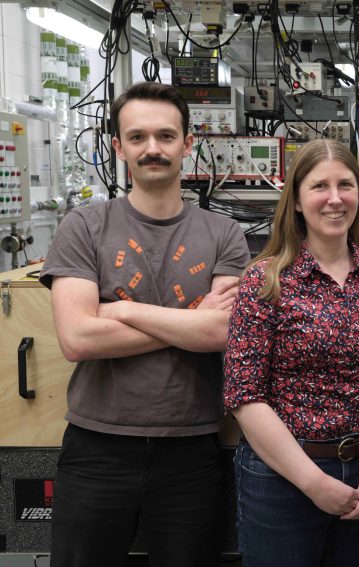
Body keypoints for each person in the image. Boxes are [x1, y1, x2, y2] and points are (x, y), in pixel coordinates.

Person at [40, 81, 250, 567]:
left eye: (165, 136)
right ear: (118, 147)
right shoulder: (84, 226)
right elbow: (78, 338)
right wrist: (188, 322)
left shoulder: (224, 234)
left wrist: (124, 310)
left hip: (193, 447)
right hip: (97, 446)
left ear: (187, 143)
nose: (152, 149)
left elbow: (220, 334)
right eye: (137, 137)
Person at [223, 139, 359, 567]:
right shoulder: (265, 281)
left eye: (346, 185)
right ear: (298, 201)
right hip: (282, 477)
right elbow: (244, 398)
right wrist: (313, 483)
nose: (336, 198)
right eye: (320, 186)